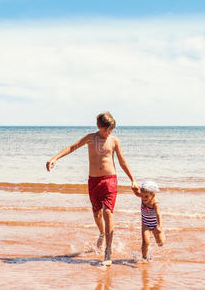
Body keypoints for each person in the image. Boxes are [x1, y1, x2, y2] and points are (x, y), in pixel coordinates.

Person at [46, 112, 139, 265]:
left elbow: (122, 162)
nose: (108, 133)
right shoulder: (90, 137)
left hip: (110, 180)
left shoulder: (114, 141)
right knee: (97, 215)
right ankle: (102, 233)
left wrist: (133, 180)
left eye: (110, 130)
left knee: (108, 212)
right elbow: (72, 147)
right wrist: (54, 158)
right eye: (106, 130)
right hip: (94, 181)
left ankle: (108, 251)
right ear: (99, 126)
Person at [135, 181, 165, 262]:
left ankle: (161, 234)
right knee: (145, 242)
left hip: (155, 224)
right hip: (145, 224)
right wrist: (134, 188)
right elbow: (137, 193)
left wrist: (160, 225)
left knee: (160, 243)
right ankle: (144, 258)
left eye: (146, 196)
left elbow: (158, 214)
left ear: (153, 195)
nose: (143, 198)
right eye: (142, 196)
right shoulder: (143, 198)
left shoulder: (155, 203)